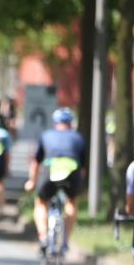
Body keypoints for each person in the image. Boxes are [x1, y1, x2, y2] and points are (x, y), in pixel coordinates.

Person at [24, 107, 87, 255]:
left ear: (55, 122)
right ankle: (65, 241)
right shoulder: (78, 137)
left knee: (40, 202)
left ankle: (44, 237)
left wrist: (32, 182)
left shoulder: (46, 135)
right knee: (71, 202)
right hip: (72, 170)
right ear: (71, 123)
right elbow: (83, 168)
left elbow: (36, 163)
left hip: (51, 170)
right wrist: (79, 186)